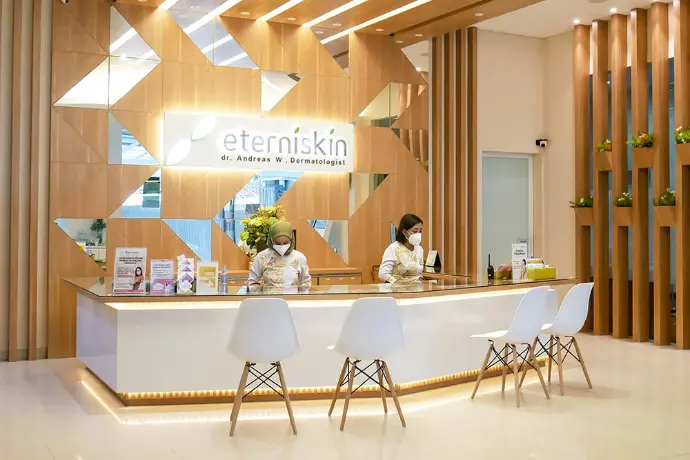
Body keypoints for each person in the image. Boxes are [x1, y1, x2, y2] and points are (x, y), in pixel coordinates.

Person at [248, 221, 312, 288]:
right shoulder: (262, 257)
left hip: (291, 294)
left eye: (285, 243)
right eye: (277, 243)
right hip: (268, 294)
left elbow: (306, 282)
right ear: (271, 240)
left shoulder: (298, 257)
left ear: (291, 240)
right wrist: (258, 292)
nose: (282, 246)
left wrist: (300, 292)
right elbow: (252, 282)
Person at [378, 214, 424, 284]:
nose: (418, 234)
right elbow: (383, 274)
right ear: (405, 232)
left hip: (417, 288)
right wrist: (398, 284)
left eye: (420, 231)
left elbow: (419, 274)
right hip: (397, 288)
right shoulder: (393, 248)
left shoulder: (419, 249)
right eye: (414, 231)